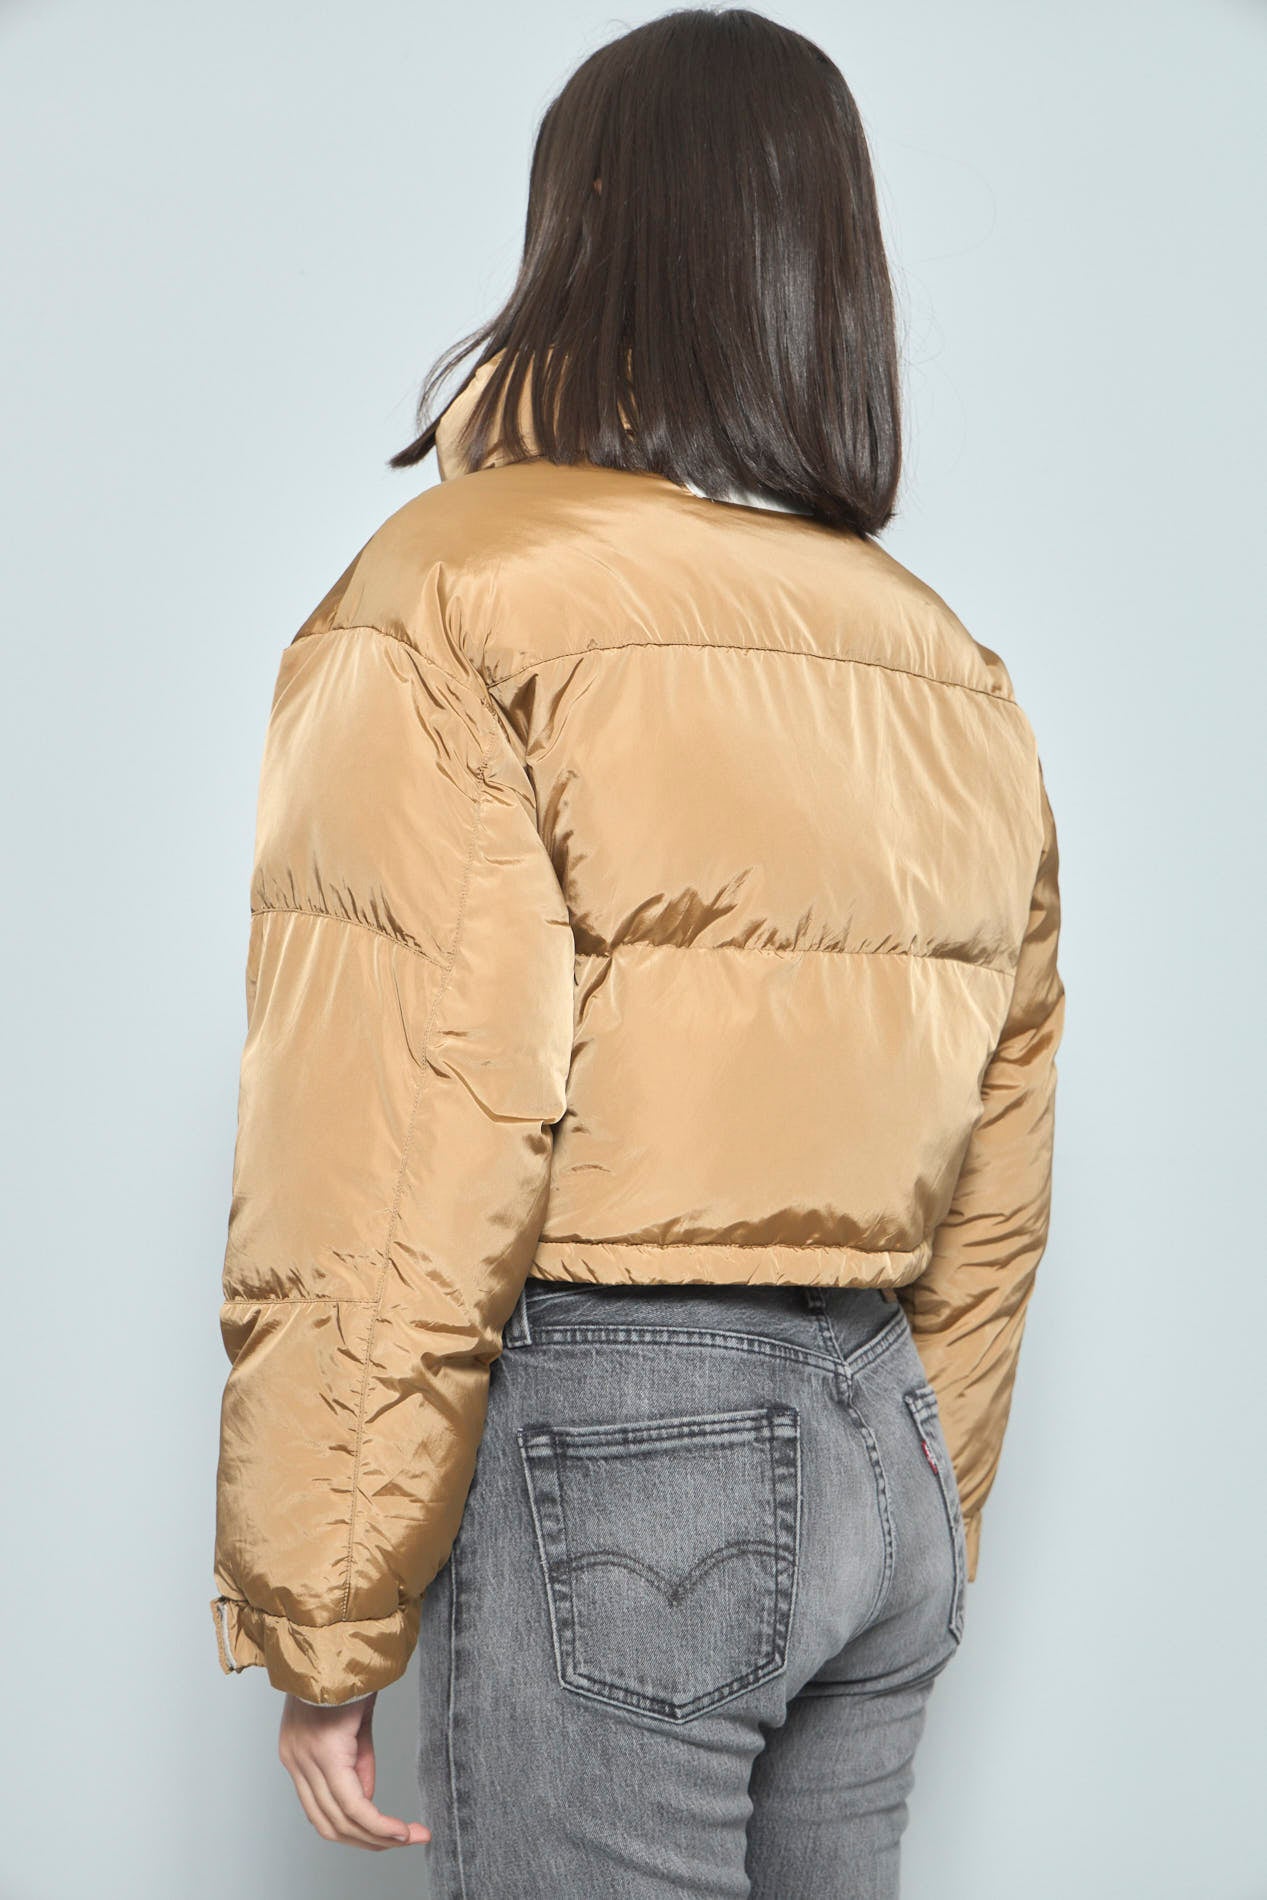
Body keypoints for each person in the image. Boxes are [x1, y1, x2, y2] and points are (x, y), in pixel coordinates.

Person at [209, 8, 1065, 1894]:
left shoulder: (460, 591)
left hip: (627, 1457)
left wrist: (328, 1604)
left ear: (581, 236)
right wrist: (918, 1489)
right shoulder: (945, 665)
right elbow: (999, 1168)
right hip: (883, 1454)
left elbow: (413, 1124)